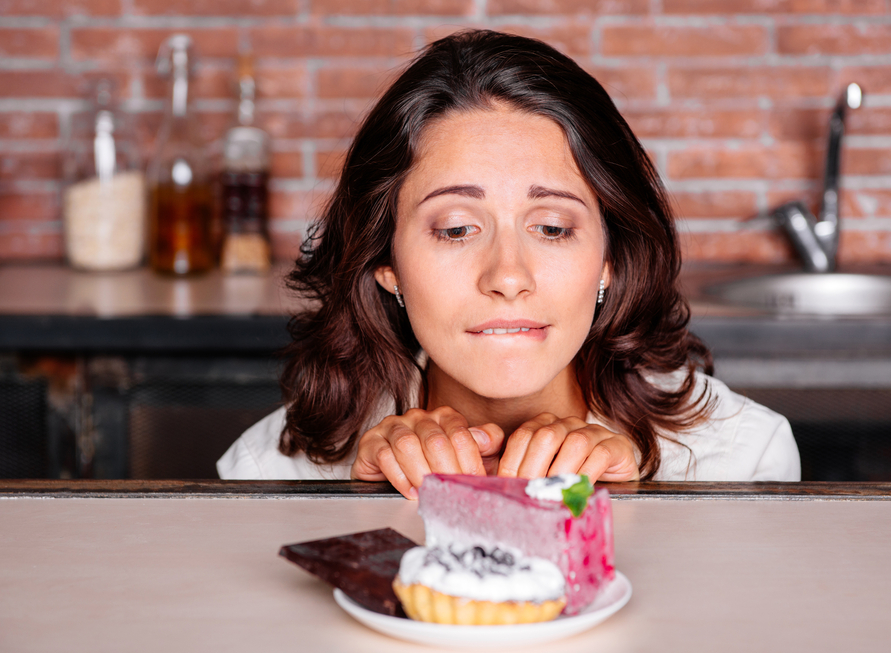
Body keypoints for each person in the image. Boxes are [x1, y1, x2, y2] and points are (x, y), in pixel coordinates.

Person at [217, 29, 800, 494]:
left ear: (610, 258)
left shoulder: (744, 459)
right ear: (385, 261)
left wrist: (648, 507)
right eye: (456, 229)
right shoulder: (270, 472)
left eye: (551, 227)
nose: (508, 277)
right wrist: (348, 505)